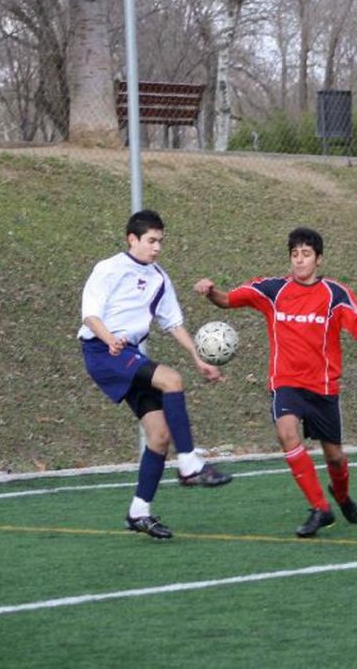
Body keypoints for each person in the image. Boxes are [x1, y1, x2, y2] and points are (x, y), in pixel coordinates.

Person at [194, 227, 357, 538]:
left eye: (306, 254)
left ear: (319, 260)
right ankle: (320, 508)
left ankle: (341, 494)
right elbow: (228, 300)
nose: (299, 260)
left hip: (322, 387)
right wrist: (211, 290)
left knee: (334, 456)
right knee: (286, 434)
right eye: (295, 254)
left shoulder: (336, 295)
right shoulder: (273, 290)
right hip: (286, 383)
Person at [79, 209, 232, 540]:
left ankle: (139, 512)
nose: (157, 247)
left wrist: (199, 359)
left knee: (159, 436)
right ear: (131, 239)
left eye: (160, 241)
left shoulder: (159, 278)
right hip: (102, 352)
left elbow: (172, 323)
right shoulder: (108, 269)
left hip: (128, 355)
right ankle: (190, 464)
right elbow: (90, 315)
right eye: (151, 240)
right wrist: (110, 339)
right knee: (171, 380)